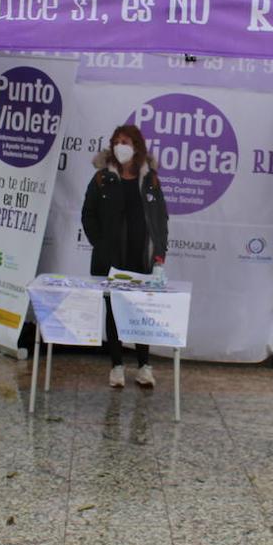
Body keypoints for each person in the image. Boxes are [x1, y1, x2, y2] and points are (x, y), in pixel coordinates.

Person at [81, 124, 169, 388]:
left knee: (141, 311)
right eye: (116, 141)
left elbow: (160, 219)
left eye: (126, 142)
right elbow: (88, 214)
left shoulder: (151, 179)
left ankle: (144, 366)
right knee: (113, 311)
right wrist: (100, 243)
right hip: (111, 259)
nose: (120, 146)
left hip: (141, 257)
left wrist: (159, 254)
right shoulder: (101, 178)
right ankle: (117, 366)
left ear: (137, 147)